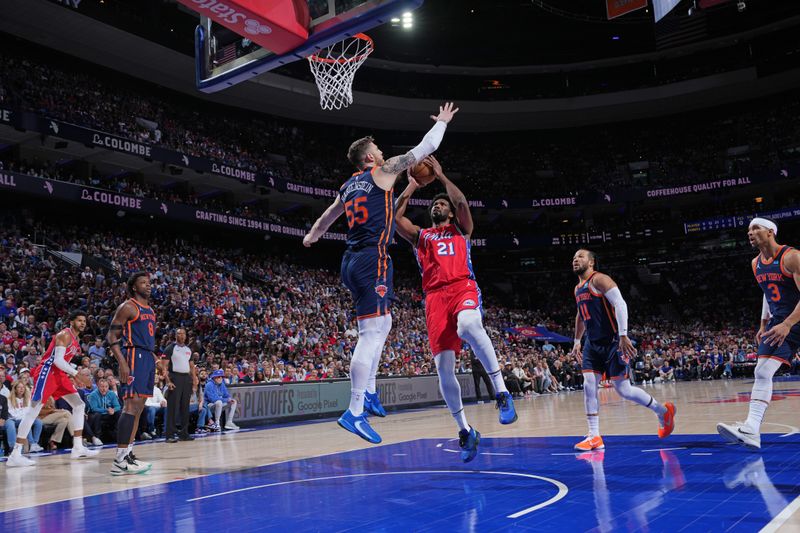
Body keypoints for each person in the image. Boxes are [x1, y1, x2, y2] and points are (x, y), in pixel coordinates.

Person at [303, 102, 459, 444]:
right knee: (371, 333)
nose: (383, 152)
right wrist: (443, 122)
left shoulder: (347, 186)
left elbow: (328, 217)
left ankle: (370, 392)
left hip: (352, 260)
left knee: (384, 323)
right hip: (371, 259)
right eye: (378, 150)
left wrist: (312, 236)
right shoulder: (382, 171)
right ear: (369, 159)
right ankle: (354, 410)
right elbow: (426, 148)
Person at [394, 155, 516, 462]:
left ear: (450, 212)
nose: (438, 205)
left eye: (442, 204)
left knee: (469, 326)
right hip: (434, 298)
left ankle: (501, 392)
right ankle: (465, 430)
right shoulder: (422, 236)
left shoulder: (461, 230)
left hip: (462, 285)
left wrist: (442, 178)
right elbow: (395, 220)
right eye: (435, 204)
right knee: (443, 369)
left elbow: (461, 201)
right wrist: (410, 185)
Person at [570, 249, 676, 451]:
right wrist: (576, 340)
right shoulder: (577, 289)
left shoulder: (599, 279)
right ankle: (594, 436)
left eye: (580, 256)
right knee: (588, 384)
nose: (576, 259)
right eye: (574, 258)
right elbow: (580, 314)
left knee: (623, 389)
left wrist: (623, 334)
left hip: (612, 341)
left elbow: (620, 303)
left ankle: (663, 411)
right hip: (592, 344)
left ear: (591, 262)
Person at [718, 218, 800, 450]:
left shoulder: (792, 257)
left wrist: (787, 324)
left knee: (763, 371)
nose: (750, 232)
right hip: (778, 323)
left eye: (756, 228)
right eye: (749, 230)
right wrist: (763, 323)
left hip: (794, 319)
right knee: (761, 371)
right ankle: (751, 429)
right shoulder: (756, 263)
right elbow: (767, 293)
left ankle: (751, 428)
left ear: (771, 232)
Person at [5, 311, 98, 467]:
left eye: (84, 321)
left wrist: (73, 375)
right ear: (71, 322)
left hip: (60, 375)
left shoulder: (76, 339)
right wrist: (77, 374)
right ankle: (15, 454)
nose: (83, 323)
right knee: (33, 412)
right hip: (47, 373)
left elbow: (62, 365)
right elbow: (57, 360)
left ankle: (77, 447)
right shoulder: (64, 335)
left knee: (79, 405)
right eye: (79, 320)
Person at [107, 272, 157, 475]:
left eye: (149, 283)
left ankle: (128, 454)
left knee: (139, 408)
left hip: (146, 356)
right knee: (130, 405)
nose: (148, 286)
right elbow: (111, 334)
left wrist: (155, 359)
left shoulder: (150, 309)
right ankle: (119, 459)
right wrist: (122, 362)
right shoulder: (128, 306)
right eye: (143, 283)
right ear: (134, 287)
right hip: (133, 354)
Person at [162, 328, 195, 442]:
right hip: (174, 377)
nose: (181, 336)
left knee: (185, 407)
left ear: (186, 336)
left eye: (183, 334)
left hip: (186, 379)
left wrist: (194, 381)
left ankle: (184, 433)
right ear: (175, 336)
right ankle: (169, 435)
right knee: (172, 407)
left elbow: (191, 367)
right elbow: (164, 367)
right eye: (179, 334)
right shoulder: (170, 348)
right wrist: (168, 381)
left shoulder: (188, 349)